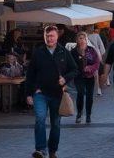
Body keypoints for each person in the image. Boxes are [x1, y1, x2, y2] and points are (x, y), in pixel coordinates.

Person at [25, 25, 78, 157]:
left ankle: (53, 149)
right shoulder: (38, 52)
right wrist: (28, 93)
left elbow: (75, 70)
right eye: (47, 36)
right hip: (40, 93)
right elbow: (30, 74)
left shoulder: (63, 52)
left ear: (57, 36)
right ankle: (41, 149)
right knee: (40, 119)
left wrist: (65, 79)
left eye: (52, 36)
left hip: (57, 94)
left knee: (55, 124)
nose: (49, 39)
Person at [70, 31, 100, 124]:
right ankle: (79, 113)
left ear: (86, 40)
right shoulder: (73, 52)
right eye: (80, 38)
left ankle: (88, 115)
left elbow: (97, 62)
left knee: (89, 96)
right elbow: (70, 64)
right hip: (79, 76)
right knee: (80, 93)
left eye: (84, 38)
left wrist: (90, 68)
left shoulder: (91, 50)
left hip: (90, 76)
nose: (82, 40)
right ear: (77, 40)